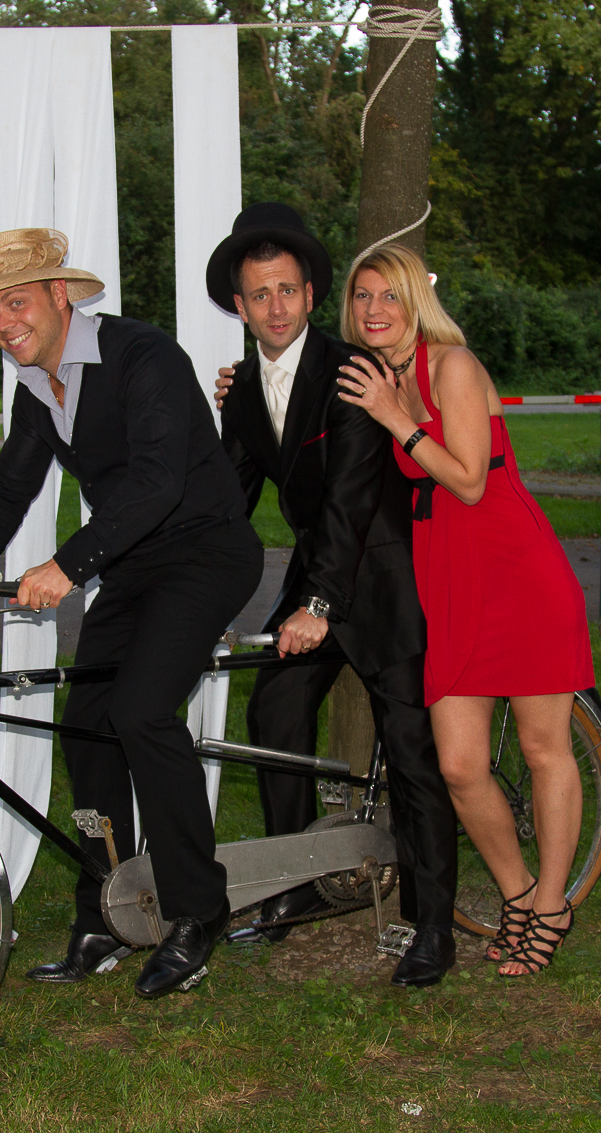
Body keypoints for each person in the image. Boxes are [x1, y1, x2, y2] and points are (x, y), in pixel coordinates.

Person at [0, 228, 264, 999]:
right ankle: (105, 912)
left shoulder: (143, 356)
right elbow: (8, 488)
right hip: (132, 566)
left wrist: (67, 565)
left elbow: (157, 482)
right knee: (88, 724)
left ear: (59, 294)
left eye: (15, 302)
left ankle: (197, 910)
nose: (3, 324)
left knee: (141, 711)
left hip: (205, 551)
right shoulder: (36, 385)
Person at [205, 203, 459, 987]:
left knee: (412, 748)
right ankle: (296, 886)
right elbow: (226, 503)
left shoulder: (353, 370)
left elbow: (350, 499)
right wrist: (180, 578)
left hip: (384, 577)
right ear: (241, 306)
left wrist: (317, 606)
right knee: (275, 711)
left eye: (288, 289)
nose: (275, 306)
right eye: (259, 294)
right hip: (316, 569)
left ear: (311, 294)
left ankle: (431, 924)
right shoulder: (243, 390)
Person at [334, 243, 596, 977]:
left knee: (544, 749)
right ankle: (518, 892)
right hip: (450, 581)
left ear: (417, 300)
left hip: (517, 572)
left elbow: (471, 482)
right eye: (362, 296)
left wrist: (396, 418)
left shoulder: (452, 365)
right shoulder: (377, 376)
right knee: (457, 764)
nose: (375, 310)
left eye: (390, 295)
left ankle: (552, 905)